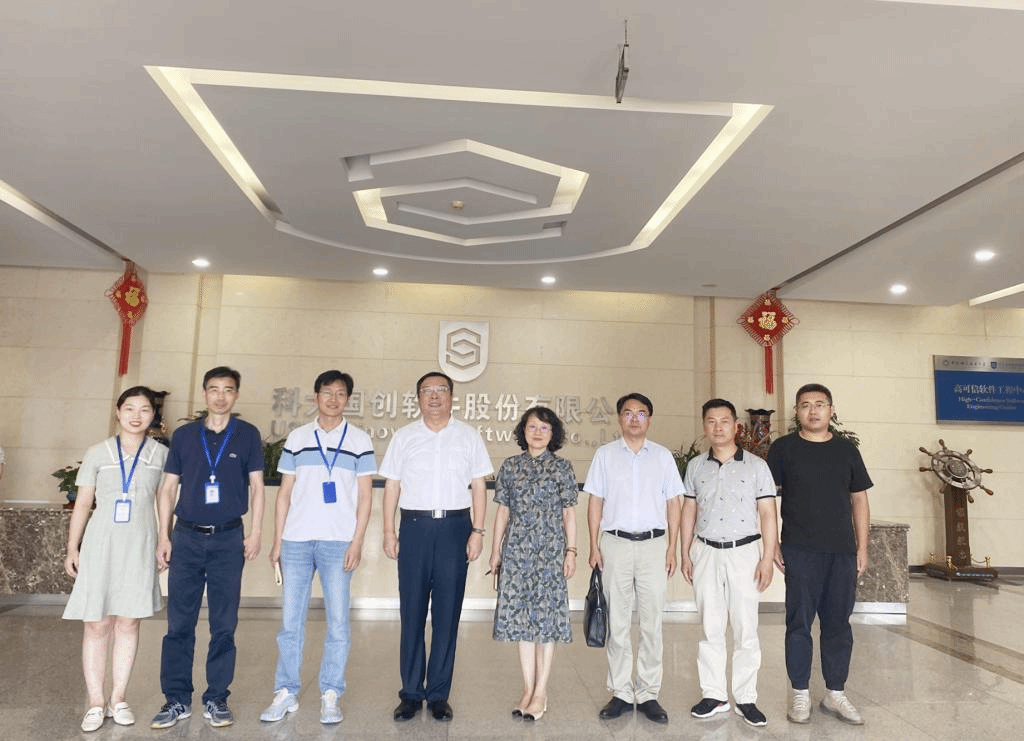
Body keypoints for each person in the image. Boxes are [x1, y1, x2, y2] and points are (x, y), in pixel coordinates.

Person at [150, 366, 265, 729]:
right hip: (186, 537)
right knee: (179, 623)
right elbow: (168, 488)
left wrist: (255, 533)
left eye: (228, 390)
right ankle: (176, 699)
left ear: (236, 395)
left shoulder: (247, 434)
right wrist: (164, 536)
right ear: (204, 393)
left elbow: (257, 487)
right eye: (214, 389)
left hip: (228, 539)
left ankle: (216, 697)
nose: (220, 396)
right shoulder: (185, 435)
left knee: (224, 624)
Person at [260, 370, 376, 725]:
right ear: (316, 397)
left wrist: (357, 541)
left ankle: (330, 692)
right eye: (327, 392)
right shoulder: (297, 438)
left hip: (338, 542)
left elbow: (365, 496)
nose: (333, 399)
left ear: (347, 399)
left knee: (338, 621)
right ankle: (286, 691)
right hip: (296, 541)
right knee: (290, 621)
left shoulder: (359, 440)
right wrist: (277, 541)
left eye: (340, 393)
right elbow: (284, 494)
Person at [380, 371, 492, 722]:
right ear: (418, 398)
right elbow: (392, 486)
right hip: (414, 527)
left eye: (441, 390)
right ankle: (411, 694)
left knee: (447, 615)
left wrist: (477, 531)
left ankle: (439, 694)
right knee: (412, 613)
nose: (434, 396)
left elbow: (479, 486)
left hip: (455, 529)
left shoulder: (469, 436)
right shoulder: (404, 436)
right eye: (426, 391)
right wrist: (388, 530)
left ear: (452, 396)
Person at [62, 387, 168, 732]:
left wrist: (164, 539)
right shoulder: (97, 452)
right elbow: (83, 503)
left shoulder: (161, 455)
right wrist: (72, 547)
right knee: (96, 623)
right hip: (101, 544)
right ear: (118, 412)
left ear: (153, 415)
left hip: (139, 544)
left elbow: (164, 501)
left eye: (145, 409)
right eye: (130, 408)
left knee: (129, 621)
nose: (137, 416)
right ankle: (95, 702)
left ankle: (118, 698)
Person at [766, 383, 872, 726]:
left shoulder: (846, 450)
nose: (813, 411)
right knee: (798, 623)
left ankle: (835, 693)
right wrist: (773, 545)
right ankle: (800, 692)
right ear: (797, 411)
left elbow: (859, 499)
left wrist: (862, 547)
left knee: (838, 623)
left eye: (820, 404)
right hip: (799, 550)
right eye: (806, 405)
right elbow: (767, 500)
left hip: (841, 551)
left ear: (831, 411)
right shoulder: (783, 449)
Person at [680, 399, 778, 727]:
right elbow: (689, 510)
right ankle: (714, 695)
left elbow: (768, 513)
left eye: (724, 421)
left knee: (746, 628)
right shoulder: (695, 467)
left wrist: (767, 558)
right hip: (706, 552)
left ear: (736, 426)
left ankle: (746, 697)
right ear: (704, 425)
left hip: (745, 553)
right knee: (710, 627)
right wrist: (685, 552)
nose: (718, 427)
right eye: (711, 421)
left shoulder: (756, 466)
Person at [585, 392, 682, 724]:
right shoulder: (605, 455)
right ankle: (621, 692)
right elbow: (595, 501)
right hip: (615, 545)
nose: (635, 419)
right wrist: (594, 545)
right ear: (619, 418)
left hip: (655, 545)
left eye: (641, 413)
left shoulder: (662, 457)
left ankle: (649, 693)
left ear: (649, 420)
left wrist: (672, 547)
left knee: (652, 623)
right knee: (618, 622)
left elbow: (674, 503)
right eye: (628, 413)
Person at [489, 406, 578, 722]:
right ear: (522, 431)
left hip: (550, 553)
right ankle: (528, 689)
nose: (538, 433)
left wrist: (571, 551)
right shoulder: (511, 466)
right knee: (522, 621)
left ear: (553, 434)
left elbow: (569, 513)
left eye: (544, 428)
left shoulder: (562, 468)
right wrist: (496, 552)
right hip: (517, 553)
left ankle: (541, 692)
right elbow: (502, 511)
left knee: (547, 621)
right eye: (532, 427)